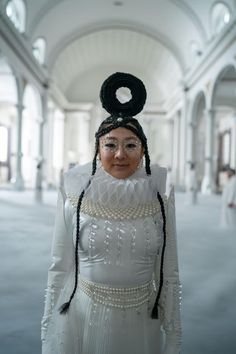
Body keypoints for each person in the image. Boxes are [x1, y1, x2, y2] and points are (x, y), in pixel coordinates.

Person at [41, 72, 182, 354]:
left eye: (130, 144)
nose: (120, 154)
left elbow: (170, 272)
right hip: (84, 314)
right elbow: (59, 266)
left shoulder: (160, 197)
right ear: (98, 149)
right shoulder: (75, 194)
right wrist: (48, 326)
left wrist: (174, 333)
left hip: (142, 318)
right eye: (110, 144)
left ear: (142, 151)